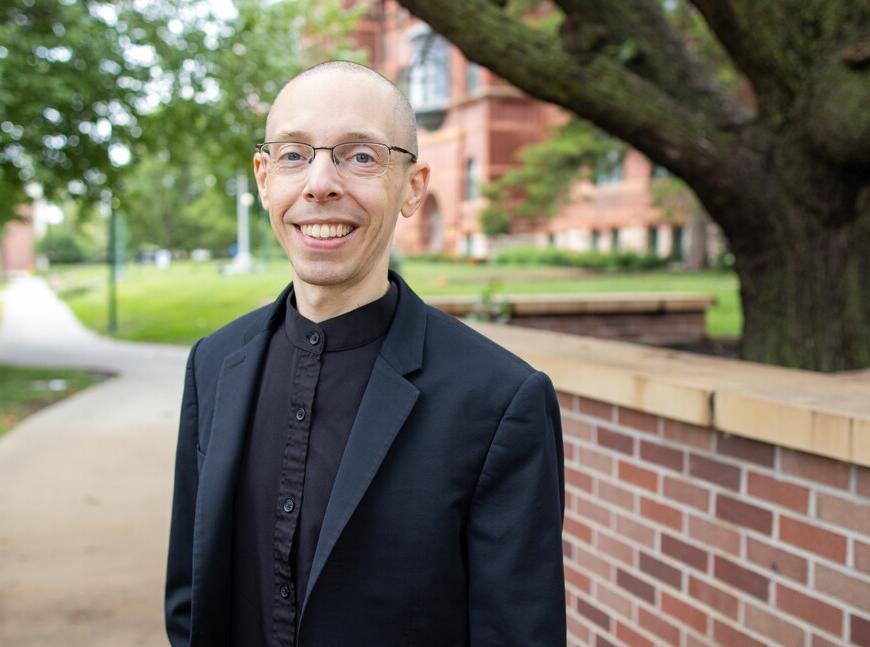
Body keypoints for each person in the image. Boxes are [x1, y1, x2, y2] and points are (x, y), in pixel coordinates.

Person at [164, 60, 566, 647]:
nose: (320, 183)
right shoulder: (213, 363)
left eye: (360, 156)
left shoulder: (501, 400)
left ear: (413, 187)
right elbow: (191, 602)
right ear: (263, 176)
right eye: (295, 154)